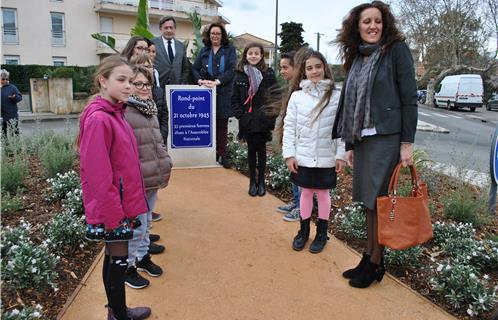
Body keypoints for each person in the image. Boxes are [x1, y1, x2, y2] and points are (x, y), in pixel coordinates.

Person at [332, 1, 417, 288]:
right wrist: (350, 143)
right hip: (363, 139)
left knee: (379, 201)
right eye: (366, 21)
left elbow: (409, 99)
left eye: (377, 21)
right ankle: (368, 256)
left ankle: (377, 262)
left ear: (385, 24)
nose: (372, 26)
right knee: (368, 202)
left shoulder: (396, 51)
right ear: (357, 27)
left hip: (387, 137)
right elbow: (349, 103)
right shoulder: (358, 57)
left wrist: (407, 143)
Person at [78, 55, 151, 320]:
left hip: (121, 205)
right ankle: (120, 314)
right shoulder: (100, 119)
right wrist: (113, 216)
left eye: (130, 81)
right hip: (114, 209)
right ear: (103, 81)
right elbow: (98, 175)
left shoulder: (116, 113)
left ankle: (116, 312)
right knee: (118, 260)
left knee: (113, 258)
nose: (128, 86)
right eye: (121, 80)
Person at [281, 48, 346, 254]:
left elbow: (342, 129)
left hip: (327, 156)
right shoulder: (297, 97)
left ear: (324, 68)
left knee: (324, 194)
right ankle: (303, 231)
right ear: (304, 71)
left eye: (318, 66)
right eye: (310, 68)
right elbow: (289, 127)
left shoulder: (336, 96)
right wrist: (289, 154)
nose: (315, 71)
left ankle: (321, 233)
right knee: (305, 193)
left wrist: (340, 155)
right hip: (303, 156)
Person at [123, 64, 172, 289]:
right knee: (138, 225)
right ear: (129, 86)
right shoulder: (125, 111)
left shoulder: (148, 108)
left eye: (147, 84)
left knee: (147, 221)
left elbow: (156, 141)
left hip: (152, 176)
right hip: (137, 180)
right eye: (138, 84)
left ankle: (142, 257)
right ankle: (127, 267)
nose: (144, 88)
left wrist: (165, 161)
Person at [232, 42, 278, 196]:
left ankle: (262, 182)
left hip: (263, 119)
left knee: (262, 151)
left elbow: (275, 97)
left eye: (256, 53)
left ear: (261, 56)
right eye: (250, 53)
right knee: (251, 150)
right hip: (248, 119)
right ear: (246, 55)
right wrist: (241, 115)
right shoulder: (239, 74)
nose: (253, 56)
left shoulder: (269, 74)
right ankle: (252, 181)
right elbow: (234, 99)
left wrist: (271, 116)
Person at [192, 23, 237, 168]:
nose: (215, 36)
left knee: (222, 126)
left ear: (222, 35)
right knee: (207, 124)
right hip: (206, 93)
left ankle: (222, 155)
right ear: (209, 35)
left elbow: (232, 70)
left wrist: (218, 82)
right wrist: (200, 81)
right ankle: (209, 154)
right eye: (212, 33)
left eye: (218, 33)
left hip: (223, 92)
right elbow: (194, 69)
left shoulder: (229, 50)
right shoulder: (204, 50)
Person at [274, 52, 302, 222]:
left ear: (296, 68)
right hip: (292, 138)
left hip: (301, 140)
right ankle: (296, 201)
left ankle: (300, 207)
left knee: (299, 173)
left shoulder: (299, 89)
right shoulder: (291, 87)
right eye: (281, 67)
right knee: (294, 171)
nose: (282, 71)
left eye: (285, 67)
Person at [152, 16, 189, 89]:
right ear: (160, 28)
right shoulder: (153, 43)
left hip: (176, 88)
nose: (169, 30)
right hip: (157, 87)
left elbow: (185, 68)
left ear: (175, 29)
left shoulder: (181, 46)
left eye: (171, 28)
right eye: (166, 28)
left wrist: (182, 83)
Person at [1, 69, 22, 136]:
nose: (5, 80)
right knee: (4, 135)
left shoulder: (12, 87)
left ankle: (16, 146)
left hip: (12, 116)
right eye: (3, 79)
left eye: (6, 79)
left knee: (14, 134)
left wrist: (14, 97)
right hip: (2, 116)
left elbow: (19, 97)